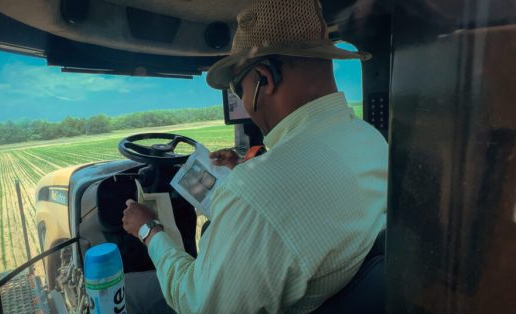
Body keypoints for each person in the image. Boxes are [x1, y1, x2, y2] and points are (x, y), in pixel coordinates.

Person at [122, 0, 388, 312]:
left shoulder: (257, 193)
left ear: (265, 78)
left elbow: (198, 303)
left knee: (127, 289)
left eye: (239, 89)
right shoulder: (370, 139)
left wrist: (149, 230)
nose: (245, 103)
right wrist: (248, 169)